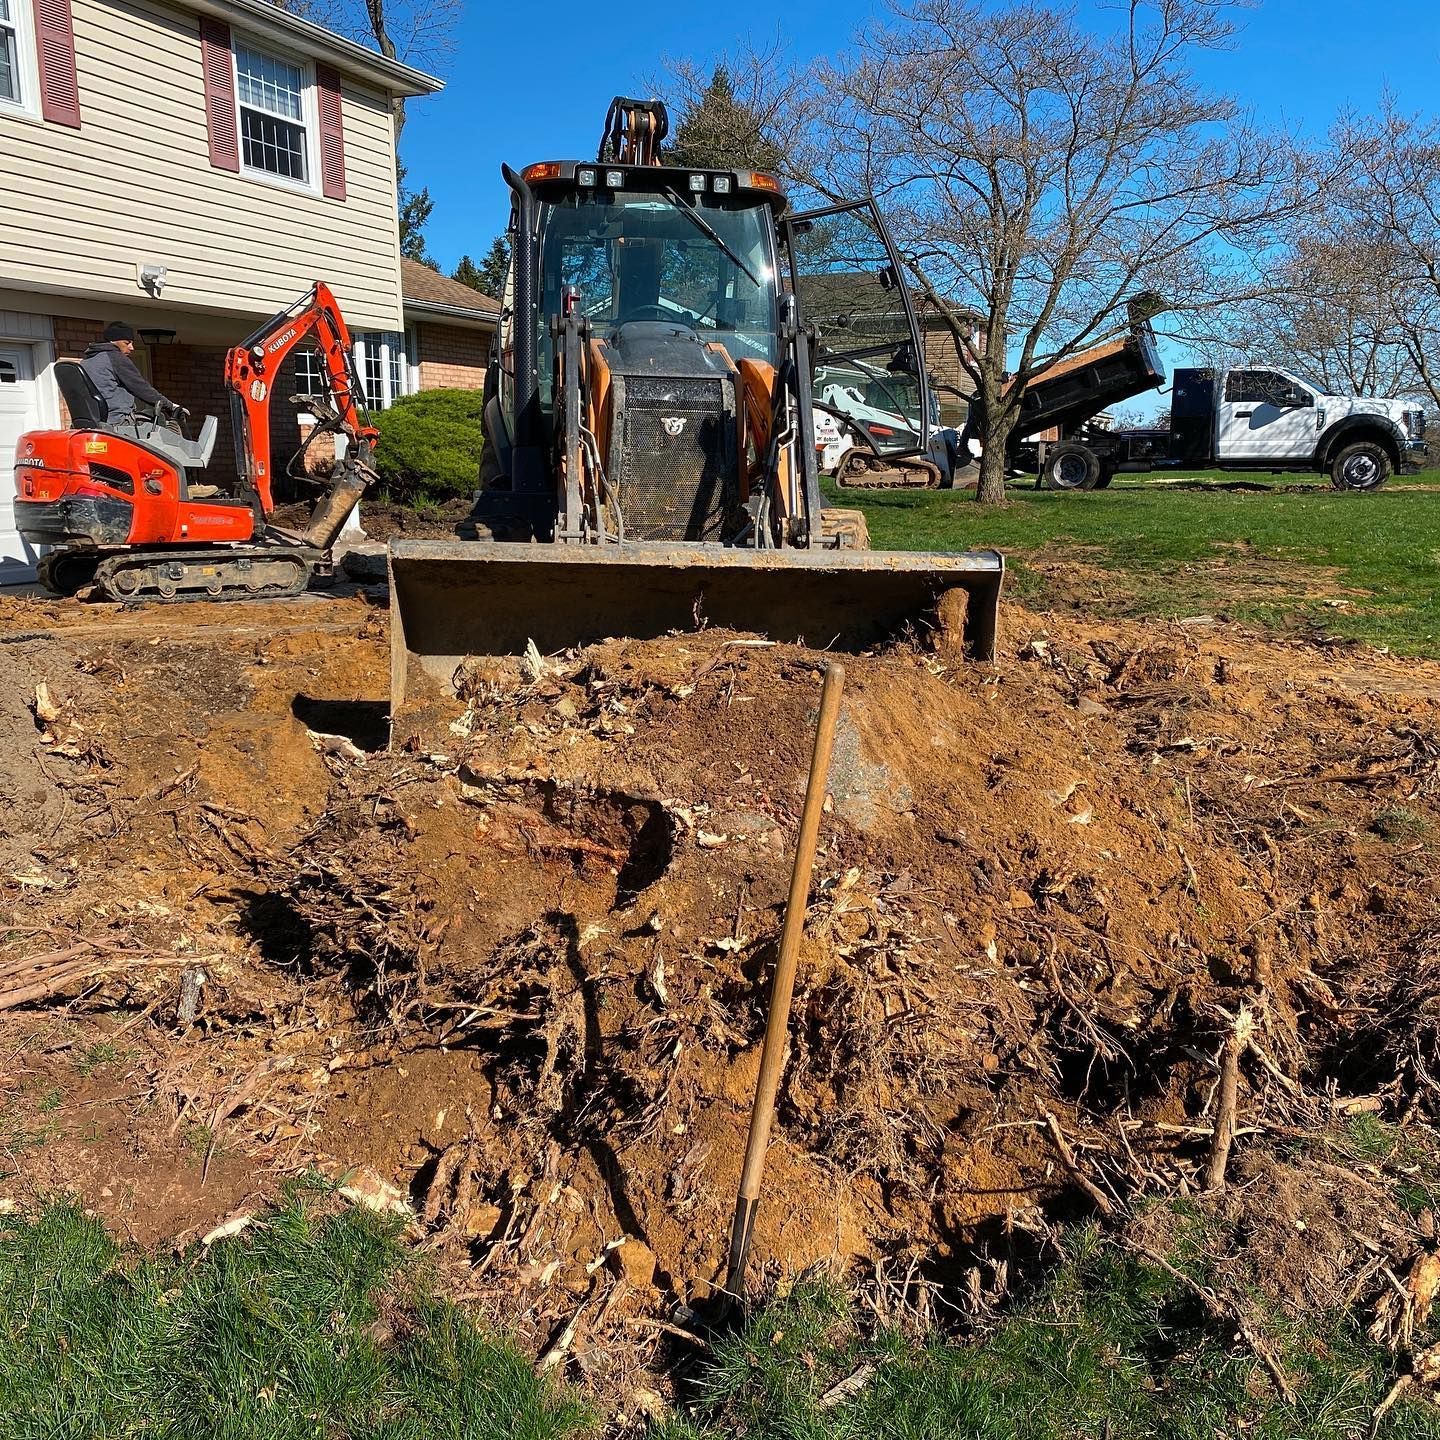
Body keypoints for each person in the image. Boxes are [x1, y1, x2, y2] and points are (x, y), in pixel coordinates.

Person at [82, 322, 174, 424]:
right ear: (112, 341)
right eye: (127, 343)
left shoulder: (86, 361)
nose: (132, 347)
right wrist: (170, 406)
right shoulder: (115, 357)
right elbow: (141, 388)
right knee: (160, 420)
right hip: (118, 421)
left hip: (93, 422)